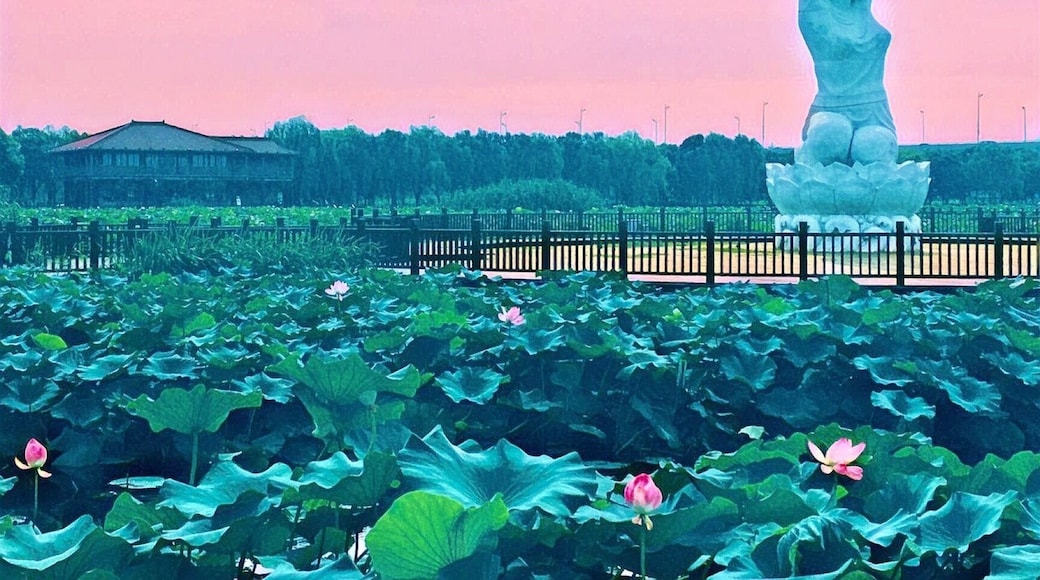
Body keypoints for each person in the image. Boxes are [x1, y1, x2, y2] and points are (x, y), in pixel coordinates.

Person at [796, 0, 897, 165]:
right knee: (832, 134)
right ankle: (807, 153)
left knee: (871, 147)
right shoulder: (815, 12)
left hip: (874, 112)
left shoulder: (862, 9)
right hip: (830, 110)